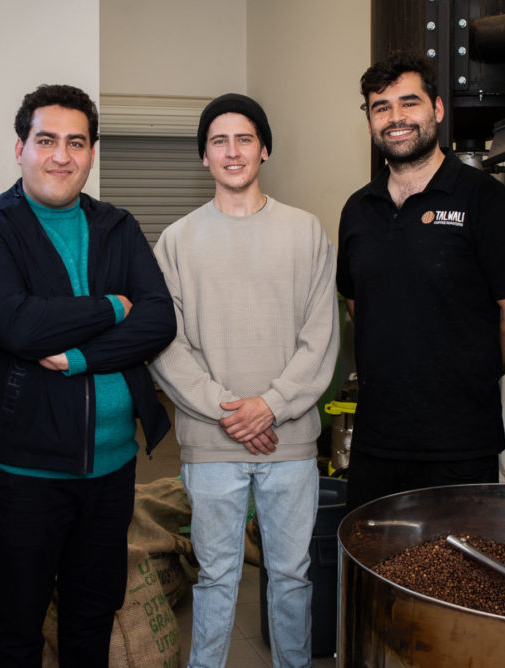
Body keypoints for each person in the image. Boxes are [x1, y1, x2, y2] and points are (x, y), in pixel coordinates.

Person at [0, 84, 176, 667]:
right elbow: (18, 325)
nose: (61, 156)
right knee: (17, 624)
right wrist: (112, 306)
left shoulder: (117, 225)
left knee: (92, 615)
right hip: (23, 472)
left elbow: (160, 318)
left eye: (76, 143)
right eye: (46, 140)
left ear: (91, 153)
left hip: (112, 467)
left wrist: (79, 356)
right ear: (20, 148)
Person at [150, 93, 340, 668]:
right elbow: (166, 345)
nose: (232, 152)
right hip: (212, 443)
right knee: (215, 577)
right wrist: (234, 411)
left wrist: (272, 406)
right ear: (204, 156)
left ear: (265, 150)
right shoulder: (176, 241)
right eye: (219, 141)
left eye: (244, 139)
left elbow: (320, 338)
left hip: (291, 442)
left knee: (292, 576)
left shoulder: (306, 233)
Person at [337, 50, 505, 511]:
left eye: (409, 103)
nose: (396, 118)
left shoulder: (484, 200)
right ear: (370, 121)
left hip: (460, 448)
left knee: (458, 560)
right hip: (375, 444)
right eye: (381, 107)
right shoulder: (357, 210)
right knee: (373, 557)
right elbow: (358, 306)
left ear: (436, 109)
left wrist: (467, 375)